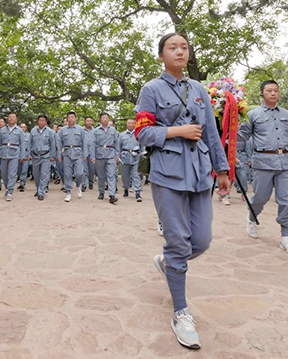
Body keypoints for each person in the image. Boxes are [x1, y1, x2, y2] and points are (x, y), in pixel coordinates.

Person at [135, 32, 230, 349]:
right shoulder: (151, 89)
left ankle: (168, 263)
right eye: (172, 47)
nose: (179, 51)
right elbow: (142, 133)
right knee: (178, 242)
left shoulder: (199, 90)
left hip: (200, 173)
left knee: (201, 240)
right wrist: (178, 131)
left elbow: (212, 134)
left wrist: (222, 170)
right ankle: (181, 312)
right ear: (161, 55)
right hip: (168, 173)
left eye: (184, 47)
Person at [238, 79, 288, 254]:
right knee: (260, 198)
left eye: (276, 90)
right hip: (263, 161)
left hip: (286, 161)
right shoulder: (253, 115)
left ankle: (286, 236)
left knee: (287, 200)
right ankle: (252, 218)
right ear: (262, 93)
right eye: (269, 90)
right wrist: (233, 154)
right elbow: (242, 137)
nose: (273, 93)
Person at [0, 113, 25, 202]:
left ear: (16, 119)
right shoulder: (2, 130)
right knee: (4, 174)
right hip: (3, 154)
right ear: (7, 119)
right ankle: (7, 188)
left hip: (14, 154)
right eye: (10, 117)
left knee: (12, 174)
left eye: (13, 117)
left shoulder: (19, 130)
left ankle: (10, 191)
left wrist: (22, 155)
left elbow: (22, 144)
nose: (11, 118)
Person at [90, 112, 120, 204]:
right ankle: (101, 192)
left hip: (111, 155)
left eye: (106, 118)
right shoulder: (96, 131)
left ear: (108, 119)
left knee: (111, 175)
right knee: (101, 176)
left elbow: (117, 143)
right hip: (99, 155)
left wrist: (117, 155)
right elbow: (92, 144)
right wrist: (93, 156)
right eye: (103, 118)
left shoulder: (113, 130)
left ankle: (112, 195)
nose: (105, 119)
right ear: (100, 120)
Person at [57, 111, 87, 202]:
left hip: (78, 153)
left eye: (72, 117)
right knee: (67, 174)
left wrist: (85, 154)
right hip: (67, 153)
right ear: (67, 119)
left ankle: (78, 185)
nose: (71, 119)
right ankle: (68, 192)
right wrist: (59, 154)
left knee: (79, 173)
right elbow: (59, 142)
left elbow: (84, 142)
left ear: (75, 118)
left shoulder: (80, 129)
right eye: (69, 117)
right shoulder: (63, 130)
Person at [28, 115, 57, 200]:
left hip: (46, 156)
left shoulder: (50, 132)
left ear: (46, 122)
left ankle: (41, 192)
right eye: (40, 120)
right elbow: (29, 143)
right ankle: (38, 189)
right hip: (35, 156)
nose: (41, 122)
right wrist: (28, 154)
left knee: (44, 174)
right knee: (36, 175)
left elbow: (52, 144)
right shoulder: (33, 130)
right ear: (37, 121)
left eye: (43, 120)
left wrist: (52, 156)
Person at [119, 118, 143, 202]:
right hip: (125, 158)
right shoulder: (121, 135)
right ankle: (126, 188)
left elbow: (142, 147)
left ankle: (137, 192)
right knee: (125, 176)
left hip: (136, 158)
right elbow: (118, 147)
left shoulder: (139, 134)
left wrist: (142, 156)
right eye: (129, 123)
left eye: (132, 123)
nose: (131, 125)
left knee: (136, 175)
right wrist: (118, 157)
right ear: (126, 124)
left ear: (135, 124)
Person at [82, 116, 96, 190]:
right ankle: (84, 184)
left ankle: (91, 182)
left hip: (93, 153)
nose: (89, 122)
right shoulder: (81, 130)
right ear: (85, 122)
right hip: (83, 153)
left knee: (92, 169)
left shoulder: (95, 131)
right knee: (84, 169)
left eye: (90, 121)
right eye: (87, 121)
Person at [18, 122, 30, 192]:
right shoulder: (16, 135)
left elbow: (30, 146)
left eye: (24, 127)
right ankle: (20, 181)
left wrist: (29, 155)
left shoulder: (29, 135)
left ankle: (22, 184)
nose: (22, 128)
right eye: (21, 127)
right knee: (18, 170)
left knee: (24, 171)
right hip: (17, 155)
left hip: (26, 155)